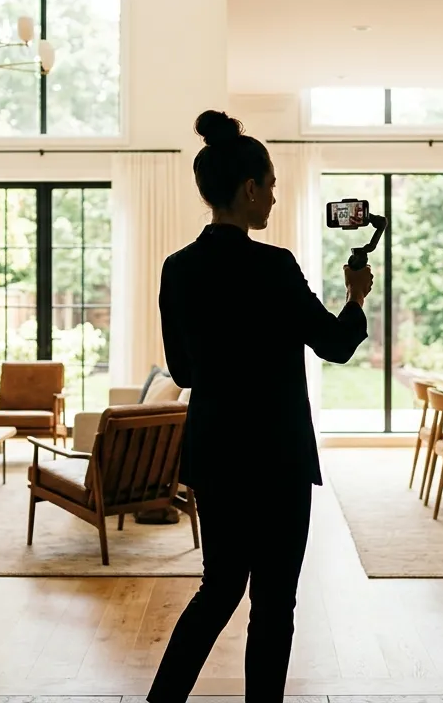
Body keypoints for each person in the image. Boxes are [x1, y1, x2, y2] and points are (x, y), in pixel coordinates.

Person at [147, 110, 374, 703]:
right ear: (249, 188)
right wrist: (354, 298)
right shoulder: (275, 267)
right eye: (270, 186)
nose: (273, 198)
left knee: (218, 589)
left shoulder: (178, 269)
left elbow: (183, 371)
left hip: (217, 453)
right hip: (278, 458)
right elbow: (334, 344)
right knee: (275, 601)